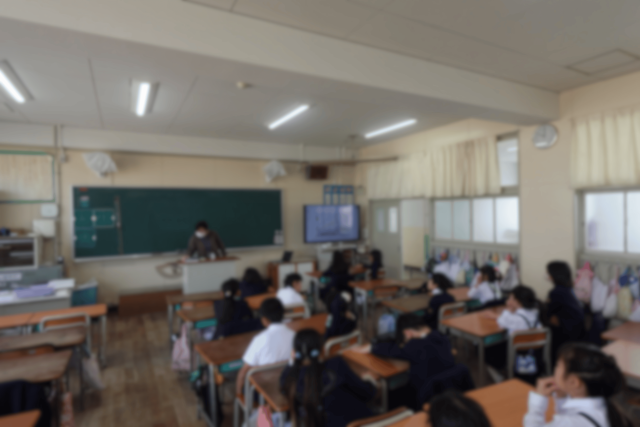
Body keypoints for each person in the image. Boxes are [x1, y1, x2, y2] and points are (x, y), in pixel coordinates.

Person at [354, 314, 455, 410]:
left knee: (386, 396)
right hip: (446, 392)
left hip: (423, 398)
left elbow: (393, 350)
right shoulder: (443, 338)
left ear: (408, 333)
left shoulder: (415, 345)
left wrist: (372, 347)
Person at [280, 329, 378, 427]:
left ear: (294, 353)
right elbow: (368, 394)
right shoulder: (336, 365)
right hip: (359, 422)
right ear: (323, 351)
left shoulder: (289, 379)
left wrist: (292, 362)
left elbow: (284, 380)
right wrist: (370, 379)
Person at [524, 342, 633, 427]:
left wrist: (537, 404)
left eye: (558, 365)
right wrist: (562, 398)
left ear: (573, 382)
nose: (555, 369)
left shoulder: (569, 423)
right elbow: (572, 416)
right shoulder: (608, 408)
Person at [483, 285, 542, 383]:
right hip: (535, 353)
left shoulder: (512, 318)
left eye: (510, 298)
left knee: (486, 349)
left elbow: (502, 321)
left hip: (516, 354)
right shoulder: (535, 312)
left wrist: (508, 309)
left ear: (517, 301)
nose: (508, 300)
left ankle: (499, 378)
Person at [235, 298, 295, 396]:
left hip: (264, 391)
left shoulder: (259, 339)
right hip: (288, 387)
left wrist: (239, 394)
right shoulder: (294, 335)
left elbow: (243, 372)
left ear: (264, 320)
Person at [545, 261, 585, 364]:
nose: (547, 275)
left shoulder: (555, 292)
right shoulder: (570, 289)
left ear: (553, 275)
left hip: (565, 334)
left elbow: (550, 315)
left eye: (548, 273)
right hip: (578, 331)